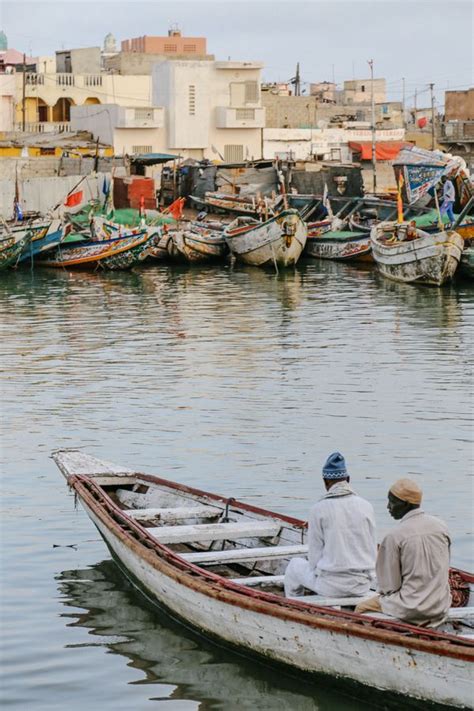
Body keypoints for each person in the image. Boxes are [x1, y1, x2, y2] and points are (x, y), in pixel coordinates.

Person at [355, 479, 452, 627]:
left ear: (405, 504)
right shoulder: (441, 527)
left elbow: (389, 587)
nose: (388, 507)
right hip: (440, 606)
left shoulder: (395, 536)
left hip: (411, 607)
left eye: (392, 502)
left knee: (360, 608)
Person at [284, 452, 376, 598]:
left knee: (294, 566)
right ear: (348, 479)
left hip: (330, 587)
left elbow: (314, 557)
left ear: (325, 482)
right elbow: (371, 550)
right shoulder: (367, 506)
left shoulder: (318, 509)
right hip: (362, 586)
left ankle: (296, 606)